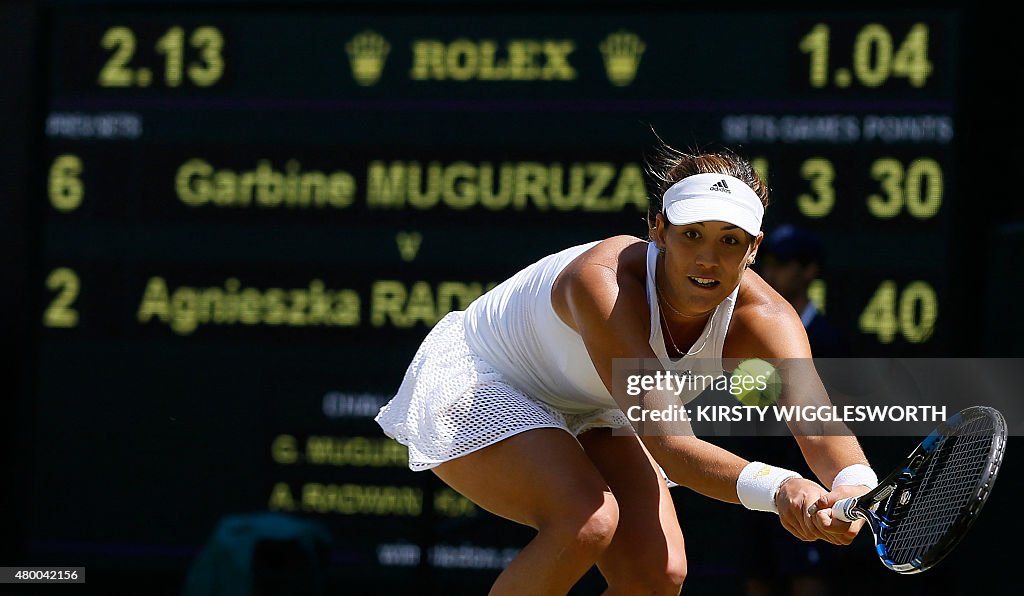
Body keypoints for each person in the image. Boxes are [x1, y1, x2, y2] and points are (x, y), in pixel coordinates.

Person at [375, 145, 878, 595]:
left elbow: (818, 427)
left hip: (598, 406)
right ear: (657, 230)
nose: (707, 258)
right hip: (487, 379)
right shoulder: (601, 283)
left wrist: (856, 484)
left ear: (753, 249)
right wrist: (781, 488)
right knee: (586, 520)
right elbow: (673, 448)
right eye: (691, 234)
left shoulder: (768, 320)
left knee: (656, 577)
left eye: (729, 241)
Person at [757, 224, 849, 358]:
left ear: (809, 270)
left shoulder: (831, 342)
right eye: (767, 264)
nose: (769, 273)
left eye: (781, 264)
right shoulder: (750, 331)